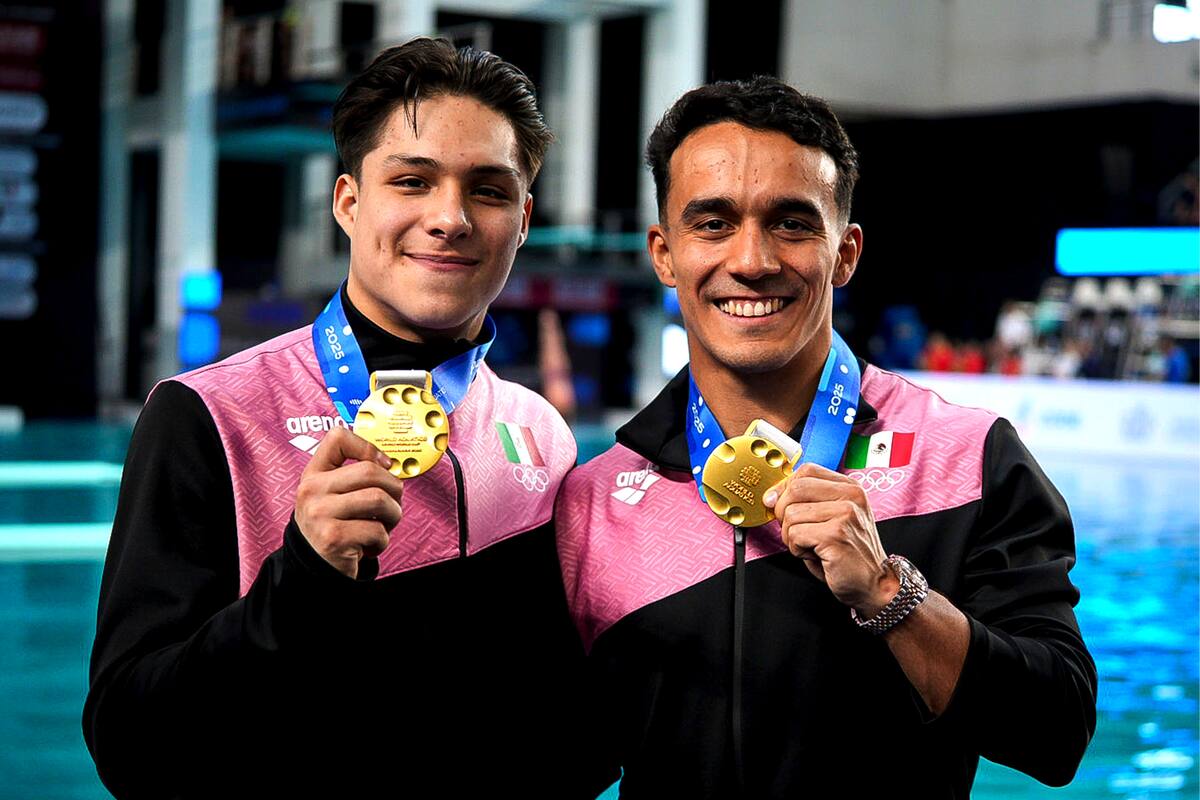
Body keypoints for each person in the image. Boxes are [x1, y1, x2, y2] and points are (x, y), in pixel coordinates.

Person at [85, 38, 613, 798]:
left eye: (489, 191)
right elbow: (129, 744)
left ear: (523, 219)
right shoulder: (211, 417)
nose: (450, 218)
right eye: (412, 181)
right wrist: (302, 577)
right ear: (348, 202)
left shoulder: (542, 436)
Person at [555, 77, 1097, 798]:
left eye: (791, 223)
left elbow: (1055, 734)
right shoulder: (593, 503)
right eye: (713, 223)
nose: (752, 259)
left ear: (844, 252)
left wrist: (887, 593)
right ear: (664, 253)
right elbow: (563, 760)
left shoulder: (965, 459)